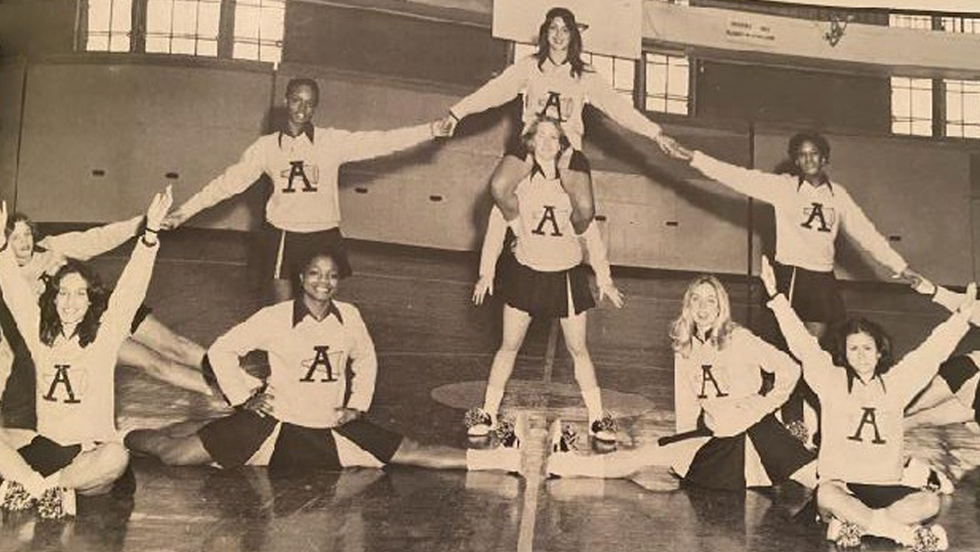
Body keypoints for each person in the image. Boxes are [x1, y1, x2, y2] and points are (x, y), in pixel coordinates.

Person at [123, 250, 522, 475]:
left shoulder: (350, 316)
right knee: (175, 456)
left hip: (330, 426)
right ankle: (122, 439)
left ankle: (502, 458)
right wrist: (246, 397)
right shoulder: (274, 317)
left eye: (331, 276)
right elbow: (221, 351)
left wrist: (358, 406)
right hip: (271, 424)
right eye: (315, 273)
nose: (323, 282)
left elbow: (365, 359)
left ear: (339, 280)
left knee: (415, 453)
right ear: (301, 277)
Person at [659, 131, 925, 445]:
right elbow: (738, 177)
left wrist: (900, 267)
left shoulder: (837, 195)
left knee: (821, 355)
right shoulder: (783, 188)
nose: (808, 159)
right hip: (792, 278)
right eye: (802, 154)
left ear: (825, 159)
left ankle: (819, 422)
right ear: (795, 160)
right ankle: (791, 423)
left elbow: (867, 233)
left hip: (823, 281)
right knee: (794, 354)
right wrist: (694, 158)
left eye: (814, 154)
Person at [162, 77, 450, 302]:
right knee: (281, 315)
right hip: (283, 236)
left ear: (316, 107)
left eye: (309, 103)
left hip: (323, 236)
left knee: (318, 313)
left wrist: (429, 130)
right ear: (286, 101)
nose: (302, 108)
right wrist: (183, 212)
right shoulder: (265, 148)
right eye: (297, 101)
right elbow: (226, 184)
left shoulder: (331, 142)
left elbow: (382, 141)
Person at [762, 255, 970, 551]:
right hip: (843, 487)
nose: (861, 355)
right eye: (853, 349)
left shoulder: (897, 384)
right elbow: (804, 346)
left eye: (867, 348)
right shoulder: (830, 381)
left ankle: (854, 525)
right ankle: (905, 535)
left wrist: (963, 316)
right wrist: (777, 299)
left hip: (884, 486)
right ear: (844, 354)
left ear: (879, 352)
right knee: (827, 495)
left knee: (929, 501)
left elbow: (932, 352)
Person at [546, 275, 818, 492]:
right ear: (688, 305)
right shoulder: (685, 346)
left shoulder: (739, 338)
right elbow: (687, 404)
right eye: (696, 300)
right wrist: (682, 449)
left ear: (721, 306)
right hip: (716, 438)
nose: (702, 308)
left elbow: (790, 369)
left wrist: (762, 406)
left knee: (818, 482)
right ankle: (565, 463)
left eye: (710, 301)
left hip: (758, 433)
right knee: (643, 456)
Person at [0, 188, 172, 517]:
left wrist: (149, 235)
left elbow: (130, 291)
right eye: (63, 293)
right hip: (46, 447)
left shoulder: (103, 338)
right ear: (52, 299)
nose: (70, 302)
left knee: (116, 458)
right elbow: (13, 291)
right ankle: (43, 491)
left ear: (91, 301)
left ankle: (33, 486)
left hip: (86, 456)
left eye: (80, 294)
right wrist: (1, 247)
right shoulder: (40, 336)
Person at [441, 7, 665, 249]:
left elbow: (618, 107)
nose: (559, 35)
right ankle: (520, 234)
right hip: (532, 143)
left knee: (586, 211)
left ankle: (563, 244)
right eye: (553, 28)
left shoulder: (584, 73)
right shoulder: (530, 66)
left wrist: (655, 132)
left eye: (565, 29)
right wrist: (457, 113)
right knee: (499, 186)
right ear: (545, 33)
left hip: (566, 149)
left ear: (573, 35)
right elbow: (494, 91)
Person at [467, 116, 624, 444]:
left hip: (565, 275)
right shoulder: (518, 182)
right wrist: (487, 272)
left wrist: (604, 277)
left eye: (555, 137)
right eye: (542, 136)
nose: (548, 143)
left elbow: (590, 233)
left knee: (578, 348)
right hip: (526, 272)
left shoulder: (572, 186)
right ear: (530, 142)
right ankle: (488, 412)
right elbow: (497, 225)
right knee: (509, 346)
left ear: (562, 145)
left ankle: (597, 418)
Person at [0, 211, 211, 431]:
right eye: (15, 237)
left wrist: (142, 224)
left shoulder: (52, 247)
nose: (24, 242)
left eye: (27, 234)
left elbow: (98, 238)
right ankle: (226, 395)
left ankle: (237, 382)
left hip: (108, 307)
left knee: (176, 346)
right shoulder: (6, 278)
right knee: (153, 363)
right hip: (87, 330)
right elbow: (5, 343)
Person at [904, 280, 980, 430]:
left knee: (923, 419)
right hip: (967, 371)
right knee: (912, 407)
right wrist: (935, 291)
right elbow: (971, 308)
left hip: (975, 392)